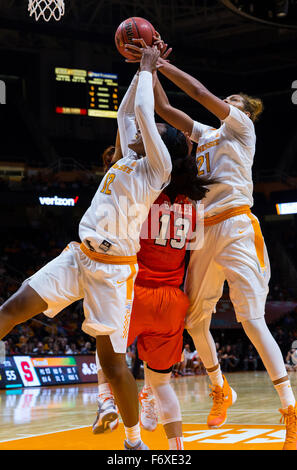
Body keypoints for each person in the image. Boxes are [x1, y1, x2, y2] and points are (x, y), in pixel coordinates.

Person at [124, 39, 297, 450]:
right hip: (204, 231)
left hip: (237, 226)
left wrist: (161, 64)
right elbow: (167, 111)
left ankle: (290, 409)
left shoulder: (241, 127)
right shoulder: (206, 134)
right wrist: (146, 71)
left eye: (233, 99)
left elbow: (200, 94)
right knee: (192, 320)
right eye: (228, 98)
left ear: (243, 110)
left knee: (252, 322)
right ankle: (220, 387)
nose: (226, 100)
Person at [0, 47, 174, 451]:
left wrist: (149, 68)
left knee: (113, 365)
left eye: (159, 134)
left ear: (165, 147)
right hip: (78, 256)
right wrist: (139, 71)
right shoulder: (129, 156)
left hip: (114, 274)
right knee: (11, 309)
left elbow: (146, 117)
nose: (149, 133)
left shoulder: (158, 168)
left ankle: (133, 442)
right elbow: (127, 115)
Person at [92, 122, 212, 451]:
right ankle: (177, 452)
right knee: (163, 386)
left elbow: (123, 151)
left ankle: (107, 402)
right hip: (173, 299)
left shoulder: (144, 187)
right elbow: (193, 260)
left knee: (106, 353)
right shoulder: (194, 201)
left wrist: (143, 80)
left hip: (136, 293)